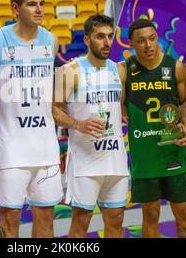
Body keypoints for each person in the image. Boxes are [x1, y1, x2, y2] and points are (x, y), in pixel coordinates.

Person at [0, 0, 63, 238]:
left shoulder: (52, 40)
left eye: (41, 3)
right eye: (31, 4)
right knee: (10, 218)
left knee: (46, 216)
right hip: (11, 148)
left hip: (45, 147)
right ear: (16, 8)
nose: (39, 9)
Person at [52, 14, 129, 238]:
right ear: (87, 40)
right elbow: (53, 109)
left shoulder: (119, 70)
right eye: (100, 37)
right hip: (86, 162)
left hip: (115, 160)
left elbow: (121, 108)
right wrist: (77, 123)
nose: (106, 42)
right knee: (80, 224)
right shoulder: (70, 71)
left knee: (116, 223)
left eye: (109, 36)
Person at [121, 19, 186, 238]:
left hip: (172, 150)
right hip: (144, 156)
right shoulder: (125, 71)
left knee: (183, 214)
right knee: (150, 214)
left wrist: (185, 125)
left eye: (152, 39)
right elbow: (117, 105)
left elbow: (183, 101)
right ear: (131, 43)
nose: (148, 45)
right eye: (141, 41)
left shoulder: (175, 67)